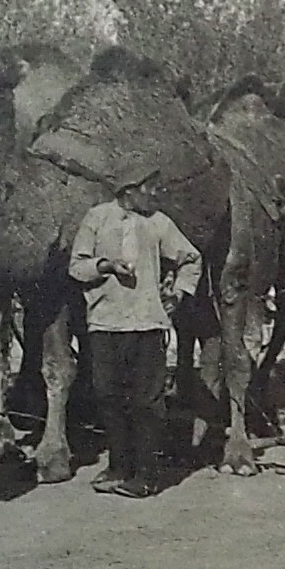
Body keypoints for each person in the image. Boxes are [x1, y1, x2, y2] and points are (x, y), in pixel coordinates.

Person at [69, 169, 203, 499]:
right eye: (149, 189)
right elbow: (76, 266)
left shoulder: (159, 223)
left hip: (147, 324)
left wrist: (180, 293)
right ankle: (119, 466)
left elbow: (191, 259)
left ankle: (146, 474)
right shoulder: (96, 218)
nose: (154, 195)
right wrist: (105, 266)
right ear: (129, 190)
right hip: (105, 323)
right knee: (107, 396)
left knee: (147, 401)